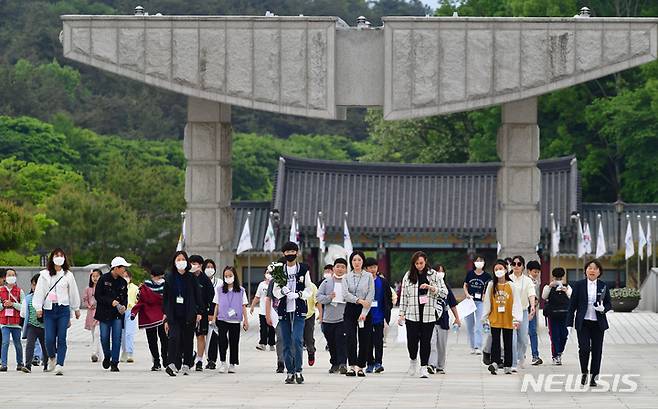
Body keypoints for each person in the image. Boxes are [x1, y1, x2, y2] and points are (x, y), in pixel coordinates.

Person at [397, 251, 448, 378]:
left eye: (421, 263)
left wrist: (432, 288)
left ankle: (424, 367)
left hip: (428, 314)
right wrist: (401, 314)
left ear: (425, 261)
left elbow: (444, 292)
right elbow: (403, 296)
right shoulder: (408, 276)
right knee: (412, 341)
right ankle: (413, 361)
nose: (419, 265)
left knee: (426, 342)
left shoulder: (434, 275)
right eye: (416, 263)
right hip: (412, 314)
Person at [33, 248, 81, 375]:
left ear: (64, 258)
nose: (59, 257)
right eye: (56, 255)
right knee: (48, 338)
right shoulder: (44, 274)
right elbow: (39, 292)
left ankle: (60, 364)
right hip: (49, 309)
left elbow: (73, 292)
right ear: (52, 258)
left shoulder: (68, 275)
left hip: (63, 309)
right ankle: (52, 358)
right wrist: (38, 307)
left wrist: (76, 308)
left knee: (62, 338)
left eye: (61, 255)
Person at [272, 241, 313, 385]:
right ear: (284, 254)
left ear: (297, 253)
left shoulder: (303, 269)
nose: (290, 254)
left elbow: (309, 288)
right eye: (287, 252)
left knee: (297, 339)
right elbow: (275, 291)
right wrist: (282, 291)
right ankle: (289, 371)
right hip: (284, 309)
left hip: (299, 308)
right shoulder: (279, 270)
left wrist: (300, 294)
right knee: (286, 342)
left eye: (293, 251)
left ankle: (299, 370)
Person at [567, 259, 611, 387]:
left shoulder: (603, 286)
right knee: (584, 349)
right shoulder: (579, 285)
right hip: (583, 323)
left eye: (595, 268)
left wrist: (604, 309)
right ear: (585, 271)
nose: (592, 270)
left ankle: (594, 377)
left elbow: (609, 303)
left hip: (598, 324)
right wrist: (569, 324)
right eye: (590, 268)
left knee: (597, 351)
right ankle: (584, 372)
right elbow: (572, 306)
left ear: (599, 272)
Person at [163, 251, 203, 377]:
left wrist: (200, 311)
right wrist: (165, 314)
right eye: (178, 259)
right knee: (174, 338)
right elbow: (166, 298)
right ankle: (171, 364)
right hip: (174, 314)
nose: (181, 261)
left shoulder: (191, 278)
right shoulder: (169, 277)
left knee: (187, 339)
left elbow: (198, 295)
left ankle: (186, 363)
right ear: (174, 262)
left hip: (188, 314)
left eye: (183, 259)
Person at [482, 259, 522, 375]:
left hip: (508, 318)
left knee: (508, 341)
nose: (498, 271)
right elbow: (487, 302)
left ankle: (508, 365)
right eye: (496, 269)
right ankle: (494, 363)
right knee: (495, 341)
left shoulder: (511, 286)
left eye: (500, 269)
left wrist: (516, 317)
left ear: (505, 270)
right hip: (495, 317)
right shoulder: (491, 285)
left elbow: (516, 302)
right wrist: (484, 317)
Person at [342, 250, 375, 377]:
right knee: (350, 337)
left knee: (364, 339)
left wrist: (364, 312)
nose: (356, 262)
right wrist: (359, 300)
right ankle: (351, 365)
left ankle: (361, 366)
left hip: (365, 311)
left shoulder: (368, 276)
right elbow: (345, 295)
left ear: (363, 261)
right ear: (351, 262)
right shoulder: (346, 277)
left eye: (359, 260)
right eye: (354, 260)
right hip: (350, 309)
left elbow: (370, 295)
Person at [95, 256, 129, 372]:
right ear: (116, 268)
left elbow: (125, 297)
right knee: (104, 337)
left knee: (117, 338)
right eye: (123, 268)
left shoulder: (123, 282)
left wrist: (124, 305)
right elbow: (98, 296)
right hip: (104, 313)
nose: (124, 270)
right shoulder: (103, 279)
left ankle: (115, 362)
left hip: (117, 315)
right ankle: (107, 355)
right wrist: (111, 302)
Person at [212, 266, 249, 373]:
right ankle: (223, 362)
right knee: (222, 341)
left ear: (234, 276)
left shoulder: (241, 290)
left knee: (234, 341)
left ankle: (232, 363)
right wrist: (214, 318)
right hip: (222, 319)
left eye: (230, 276)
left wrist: (246, 320)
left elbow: (243, 306)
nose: (228, 278)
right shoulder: (219, 290)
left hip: (235, 320)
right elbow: (217, 305)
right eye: (226, 276)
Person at [131, 265, 167, 371]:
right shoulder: (167, 285)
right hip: (162, 316)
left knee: (152, 340)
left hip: (148, 317)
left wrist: (133, 312)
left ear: (151, 275)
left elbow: (139, 300)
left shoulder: (145, 286)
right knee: (164, 339)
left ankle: (156, 362)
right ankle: (165, 359)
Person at [316, 258, 348, 374]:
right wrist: (329, 297)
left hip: (343, 317)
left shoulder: (348, 282)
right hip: (328, 318)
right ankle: (334, 363)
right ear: (333, 268)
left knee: (341, 341)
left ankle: (343, 363)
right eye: (338, 266)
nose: (340, 269)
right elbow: (318, 297)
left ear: (346, 269)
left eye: (343, 267)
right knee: (331, 342)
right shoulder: (326, 282)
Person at [428, 264, 461, 374]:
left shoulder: (446, 287)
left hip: (443, 320)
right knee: (431, 343)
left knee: (441, 346)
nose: (440, 273)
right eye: (438, 271)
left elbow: (452, 304)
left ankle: (440, 366)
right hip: (430, 319)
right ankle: (431, 365)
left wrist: (457, 318)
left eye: (442, 271)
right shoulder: (428, 285)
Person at [364, 257, 393, 374]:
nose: (372, 269)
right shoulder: (363, 281)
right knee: (367, 341)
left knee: (379, 341)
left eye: (374, 267)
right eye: (370, 267)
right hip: (366, 316)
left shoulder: (383, 281)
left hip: (379, 316)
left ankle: (378, 363)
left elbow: (388, 297)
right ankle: (369, 363)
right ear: (366, 269)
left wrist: (387, 311)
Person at [508, 255, 536, 372]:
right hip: (510, 313)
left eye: (519, 264)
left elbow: (531, 293)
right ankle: (513, 363)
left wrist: (533, 306)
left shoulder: (528, 280)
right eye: (514, 264)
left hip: (523, 311)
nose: (516, 266)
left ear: (523, 266)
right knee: (513, 339)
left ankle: (521, 357)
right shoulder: (508, 278)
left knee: (523, 338)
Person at [189, 254, 215, 371]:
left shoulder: (205, 280)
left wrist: (210, 312)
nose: (193, 266)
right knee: (187, 336)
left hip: (203, 313)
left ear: (200, 265)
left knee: (201, 336)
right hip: (188, 312)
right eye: (192, 263)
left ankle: (199, 360)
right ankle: (188, 356)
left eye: (196, 264)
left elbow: (211, 297)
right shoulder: (187, 277)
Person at [541, 267, 572, 366]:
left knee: (564, 335)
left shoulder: (567, 287)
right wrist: (550, 286)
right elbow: (544, 297)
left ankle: (560, 352)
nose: (558, 281)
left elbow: (572, 296)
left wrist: (565, 290)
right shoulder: (548, 287)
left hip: (564, 314)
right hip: (552, 315)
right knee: (554, 335)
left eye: (560, 279)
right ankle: (555, 355)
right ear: (553, 277)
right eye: (556, 279)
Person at [462, 255, 491, 355]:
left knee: (479, 324)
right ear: (474, 262)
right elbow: (465, 285)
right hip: (469, 301)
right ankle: (472, 346)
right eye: (477, 260)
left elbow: (489, 288)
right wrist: (467, 294)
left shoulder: (487, 276)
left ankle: (478, 346)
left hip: (480, 302)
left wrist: (484, 296)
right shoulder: (470, 274)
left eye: (481, 260)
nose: (479, 262)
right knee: (470, 325)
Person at [20, 274, 48, 373]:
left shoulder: (47, 299)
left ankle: (47, 364)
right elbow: (23, 313)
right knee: (30, 345)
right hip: (32, 325)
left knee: (46, 346)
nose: (35, 287)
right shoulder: (28, 298)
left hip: (45, 326)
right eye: (33, 285)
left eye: (38, 285)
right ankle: (27, 365)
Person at [0, 268, 25, 371]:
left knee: (18, 343)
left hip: (16, 323)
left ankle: (20, 363)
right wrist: (4, 305)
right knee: (5, 342)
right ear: (5, 277)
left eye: (13, 275)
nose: (11, 277)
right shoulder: (1, 290)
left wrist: (13, 304)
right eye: (9, 275)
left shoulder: (20, 291)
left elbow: (23, 307)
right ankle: (4, 364)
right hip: (4, 323)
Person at [203, 259, 223, 369]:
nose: (210, 269)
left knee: (213, 337)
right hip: (202, 312)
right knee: (202, 337)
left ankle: (212, 360)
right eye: (207, 267)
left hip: (215, 313)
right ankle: (200, 358)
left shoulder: (220, 282)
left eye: (212, 267)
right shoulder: (200, 281)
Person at [250, 269, 275, 351]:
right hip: (262, 311)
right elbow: (257, 296)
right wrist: (252, 306)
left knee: (271, 328)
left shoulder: (275, 284)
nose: (268, 274)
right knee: (263, 328)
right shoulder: (261, 285)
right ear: (264, 274)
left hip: (272, 311)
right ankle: (262, 343)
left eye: (270, 273)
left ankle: (272, 344)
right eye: (267, 272)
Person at [82, 269, 102, 363]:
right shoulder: (88, 288)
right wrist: (88, 305)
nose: (95, 278)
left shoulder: (103, 287)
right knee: (94, 334)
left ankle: (94, 352)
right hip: (91, 313)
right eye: (93, 276)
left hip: (100, 312)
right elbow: (85, 299)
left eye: (97, 276)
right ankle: (97, 353)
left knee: (97, 333)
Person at [120, 270, 139, 364]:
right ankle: (124, 352)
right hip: (121, 312)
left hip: (131, 311)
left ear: (130, 277)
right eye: (123, 276)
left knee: (129, 333)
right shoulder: (119, 286)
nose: (125, 278)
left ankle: (130, 353)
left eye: (127, 276)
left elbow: (138, 299)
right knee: (122, 334)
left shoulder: (135, 288)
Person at [526, 260, 543, 365]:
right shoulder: (526, 281)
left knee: (533, 332)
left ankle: (535, 355)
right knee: (524, 333)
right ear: (529, 271)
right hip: (525, 309)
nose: (536, 274)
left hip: (533, 309)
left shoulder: (537, 282)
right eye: (534, 271)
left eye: (538, 272)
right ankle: (520, 355)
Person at [303, 279, 321, 367]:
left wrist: (321, 314)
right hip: (296, 316)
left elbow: (317, 301)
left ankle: (311, 351)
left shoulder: (312, 286)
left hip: (309, 315)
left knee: (308, 337)